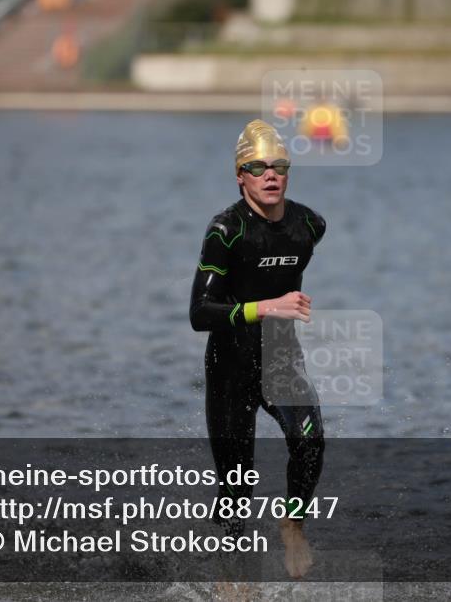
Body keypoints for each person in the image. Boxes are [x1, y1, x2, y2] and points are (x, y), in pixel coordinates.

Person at [189, 119, 326, 579]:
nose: (270, 174)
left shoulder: (309, 225)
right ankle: (234, 584)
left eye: (279, 165)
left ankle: (292, 524)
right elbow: (199, 312)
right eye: (257, 166)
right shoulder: (225, 230)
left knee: (309, 441)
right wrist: (269, 305)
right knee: (235, 493)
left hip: (281, 358)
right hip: (229, 363)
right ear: (240, 176)